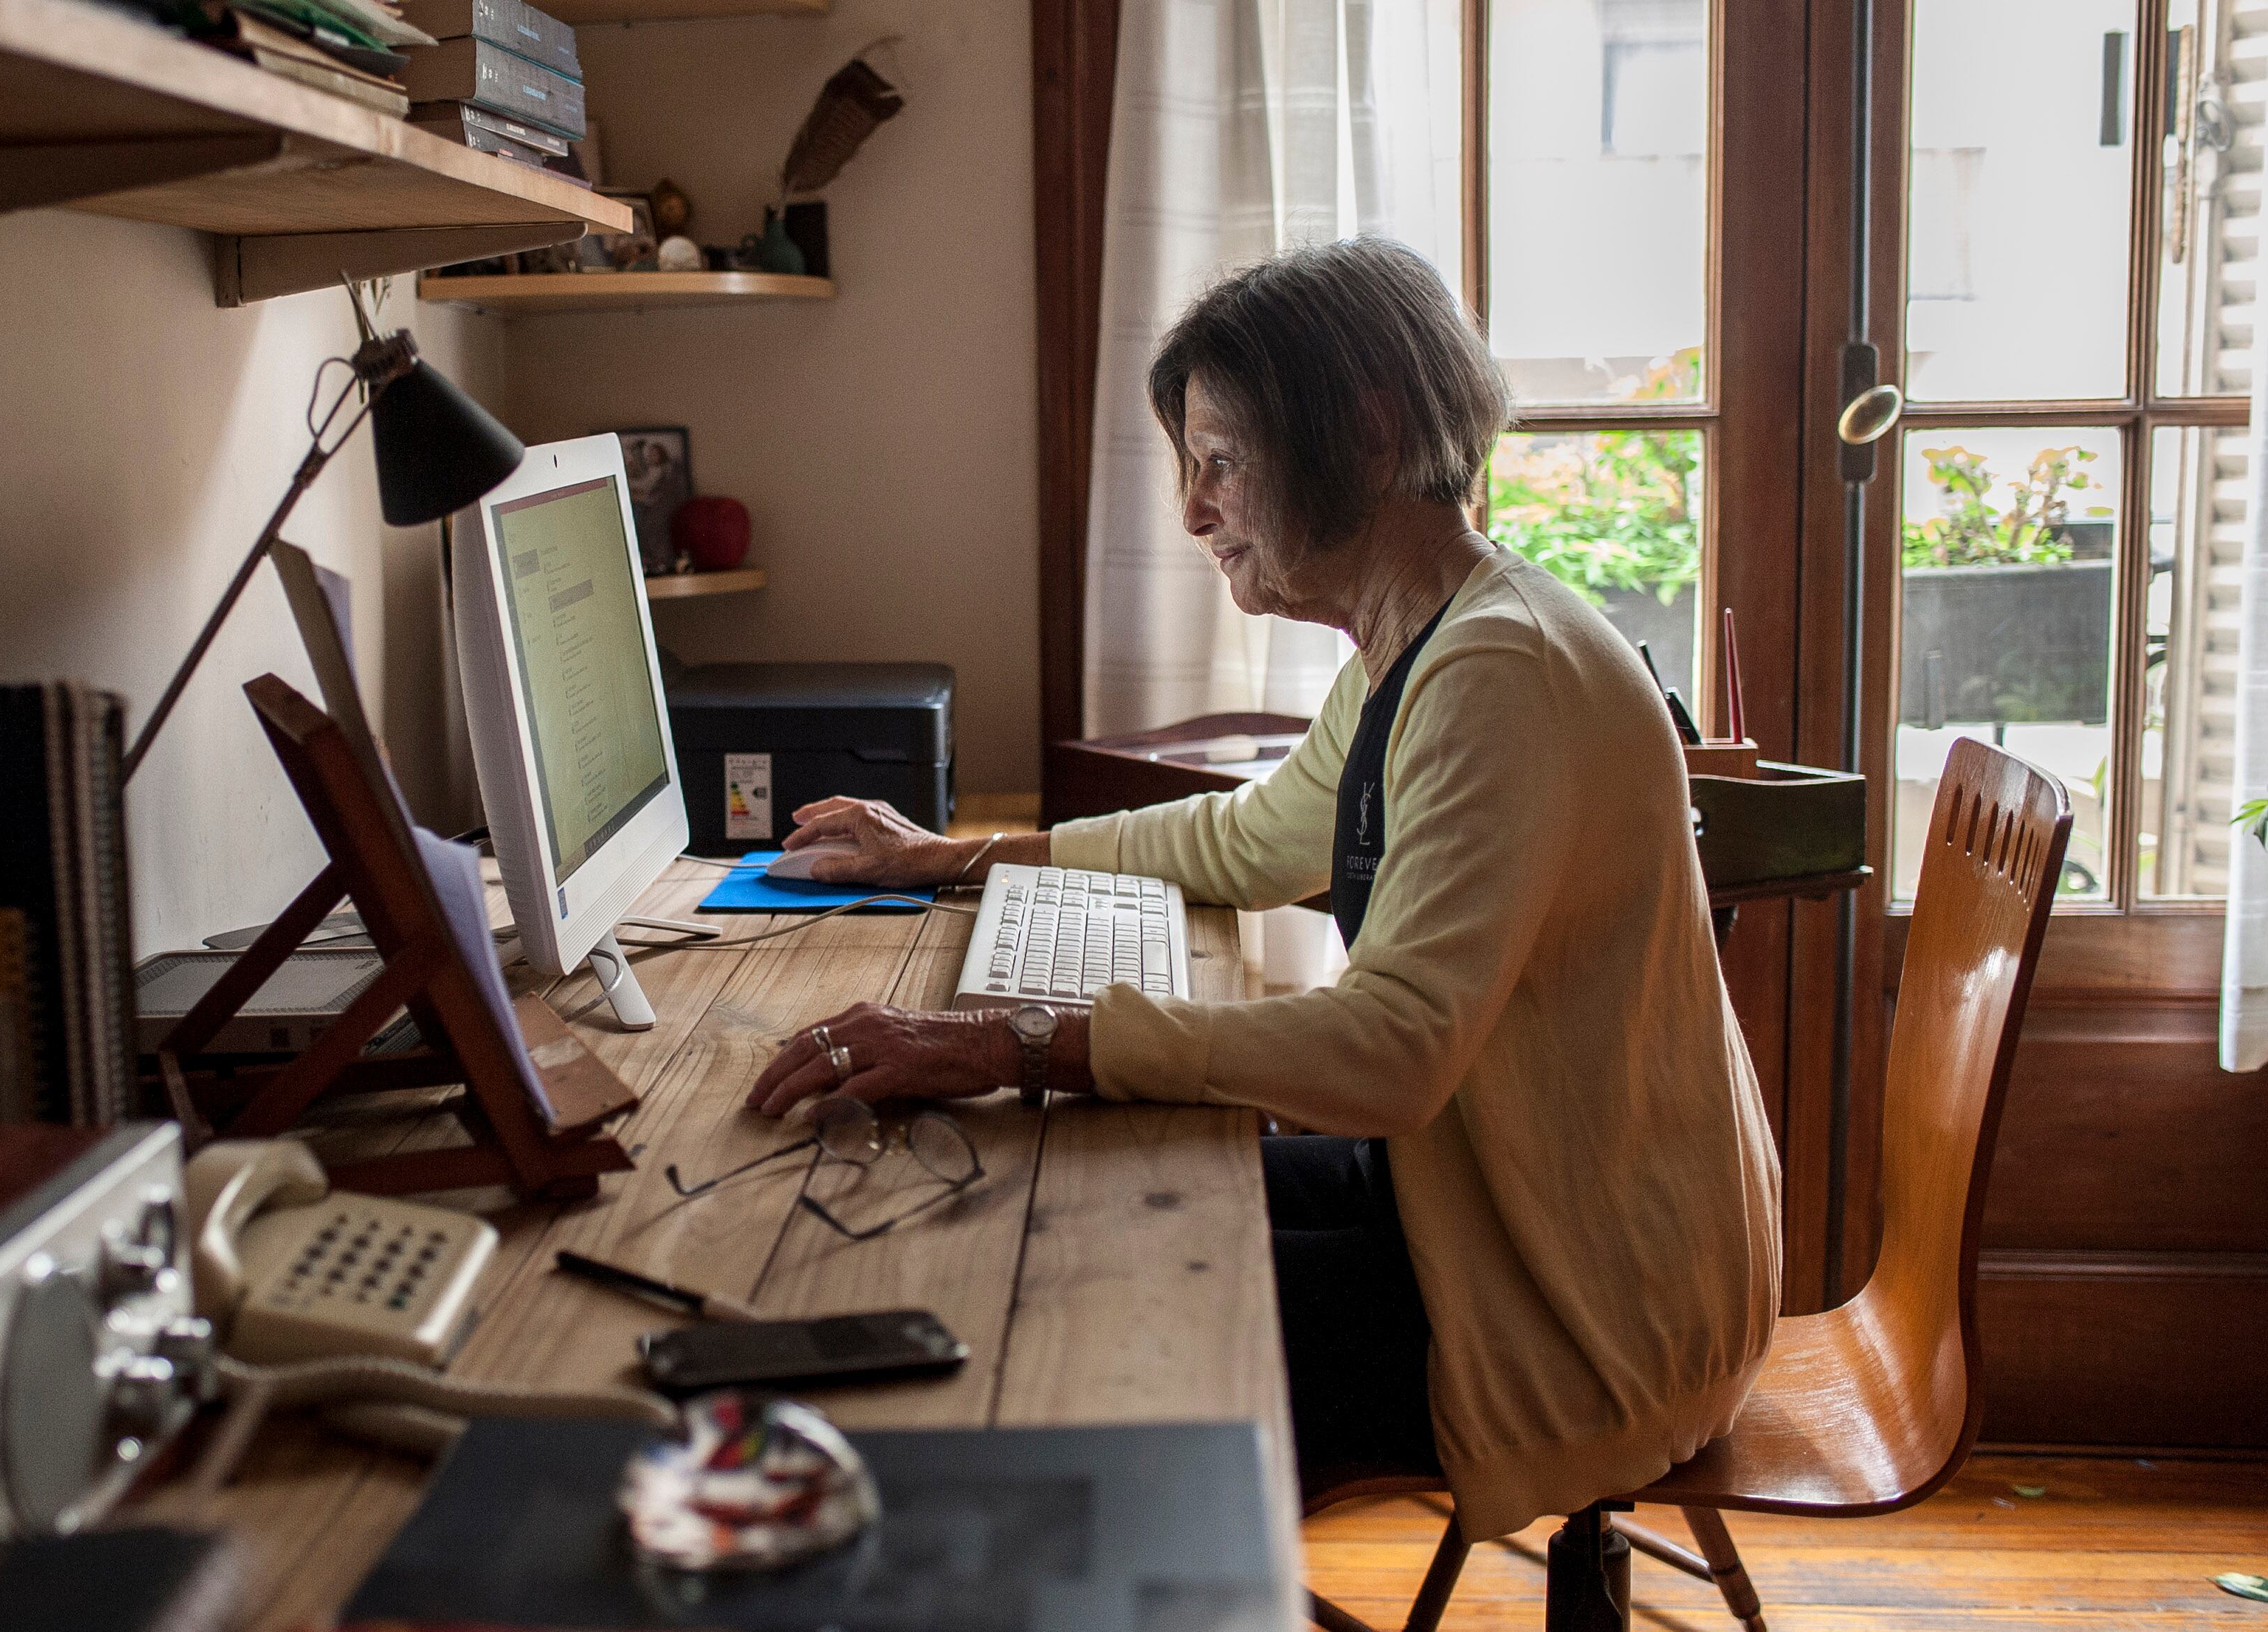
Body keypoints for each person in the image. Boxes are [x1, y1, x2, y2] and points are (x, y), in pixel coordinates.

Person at [746, 239, 1780, 1545]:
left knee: (1086, 1352)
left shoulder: (1495, 672)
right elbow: (1246, 844)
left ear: (1364, 430)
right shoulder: (1427, 639)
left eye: (1220, 461)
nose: (1192, 510)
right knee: (1071, 1214)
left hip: (1583, 1303)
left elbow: (1389, 1055)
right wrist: (950, 856)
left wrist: (1004, 1038)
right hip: (1497, 1213)